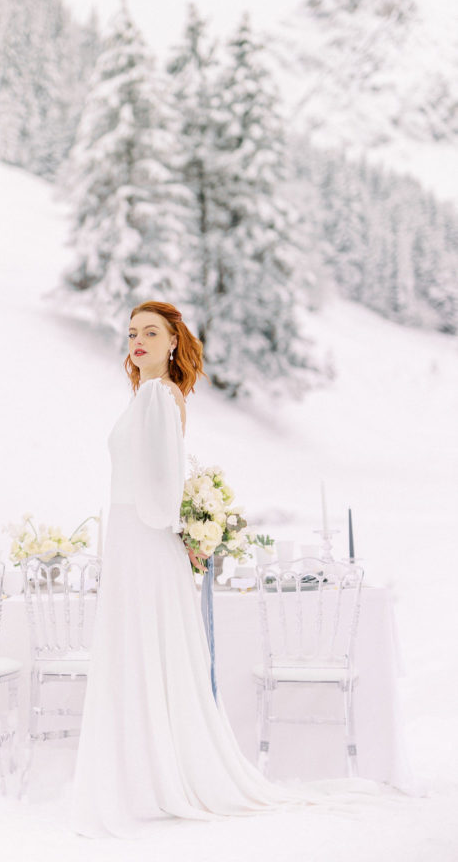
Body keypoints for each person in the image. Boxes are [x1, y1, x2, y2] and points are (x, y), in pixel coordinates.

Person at [70, 300, 389, 839]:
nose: (138, 341)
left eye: (151, 332)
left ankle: (148, 778)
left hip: (142, 540)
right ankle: (146, 775)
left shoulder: (157, 395)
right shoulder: (151, 395)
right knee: (144, 652)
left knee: (145, 651)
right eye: (131, 333)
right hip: (135, 540)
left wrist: (166, 528)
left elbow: (163, 489)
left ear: (174, 342)